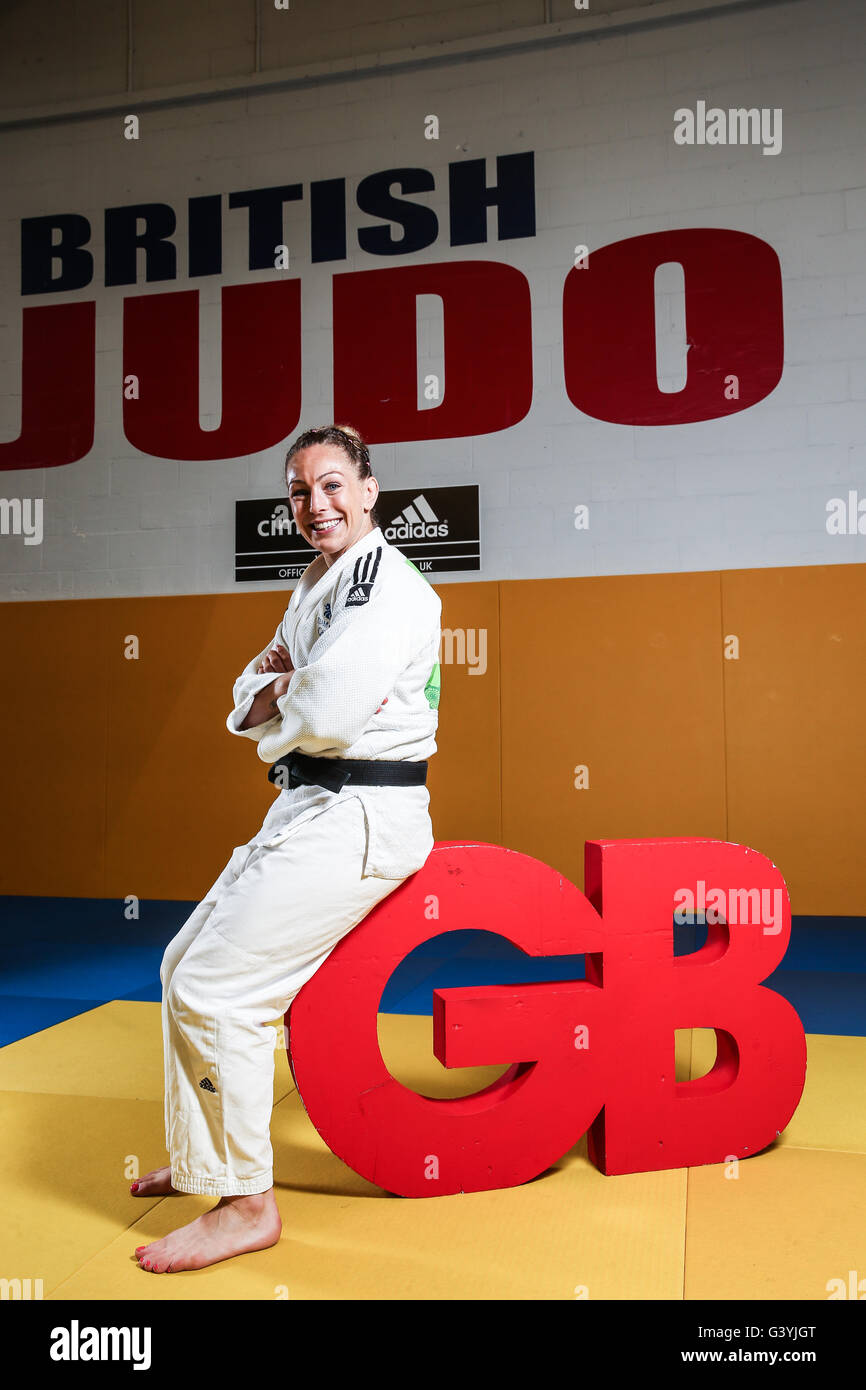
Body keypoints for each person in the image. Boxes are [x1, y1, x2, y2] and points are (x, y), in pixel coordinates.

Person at [131, 424, 442, 1273]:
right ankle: (208, 1163)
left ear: (370, 490)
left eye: (334, 485)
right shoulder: (316, 581)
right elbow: (250, 686)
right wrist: (281, 699)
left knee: (218, 990)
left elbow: (330, 712)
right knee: (179, 964)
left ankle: (245, 1206)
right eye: (301, 492)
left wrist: (280, 709)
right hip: (309, 802)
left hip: (363, 814)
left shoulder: (386, 585)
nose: (317, 505)